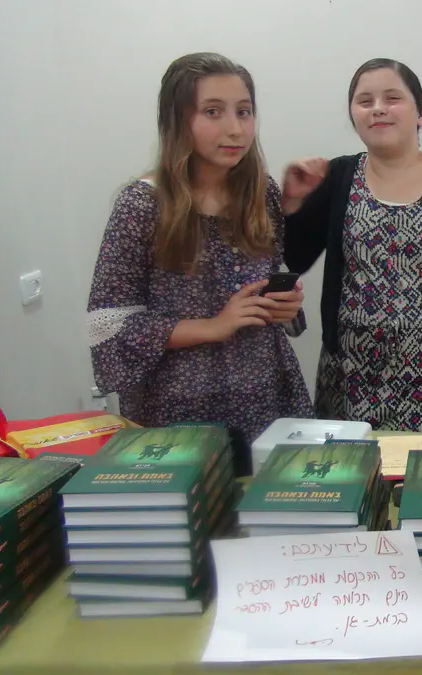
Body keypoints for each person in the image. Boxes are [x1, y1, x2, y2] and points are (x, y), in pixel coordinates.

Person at [87, 52, 313, 476]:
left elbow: (269, 285)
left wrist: (283, 307)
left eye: (243, 112)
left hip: (267, 400)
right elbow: (109, 327)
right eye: (213, 112)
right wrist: (212, 326)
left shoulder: (260, 192)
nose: (235, 128)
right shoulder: (142, 204)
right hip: (177, 411)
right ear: (178, 120)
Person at [282, 58, 422, 436]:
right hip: (346, 382)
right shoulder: (337, 177)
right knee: (347, 473)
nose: (378, 108)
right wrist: (292, 204)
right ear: (353, 116)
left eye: (392, 98)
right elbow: (293, 260)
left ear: (420, 113)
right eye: (365, 101)